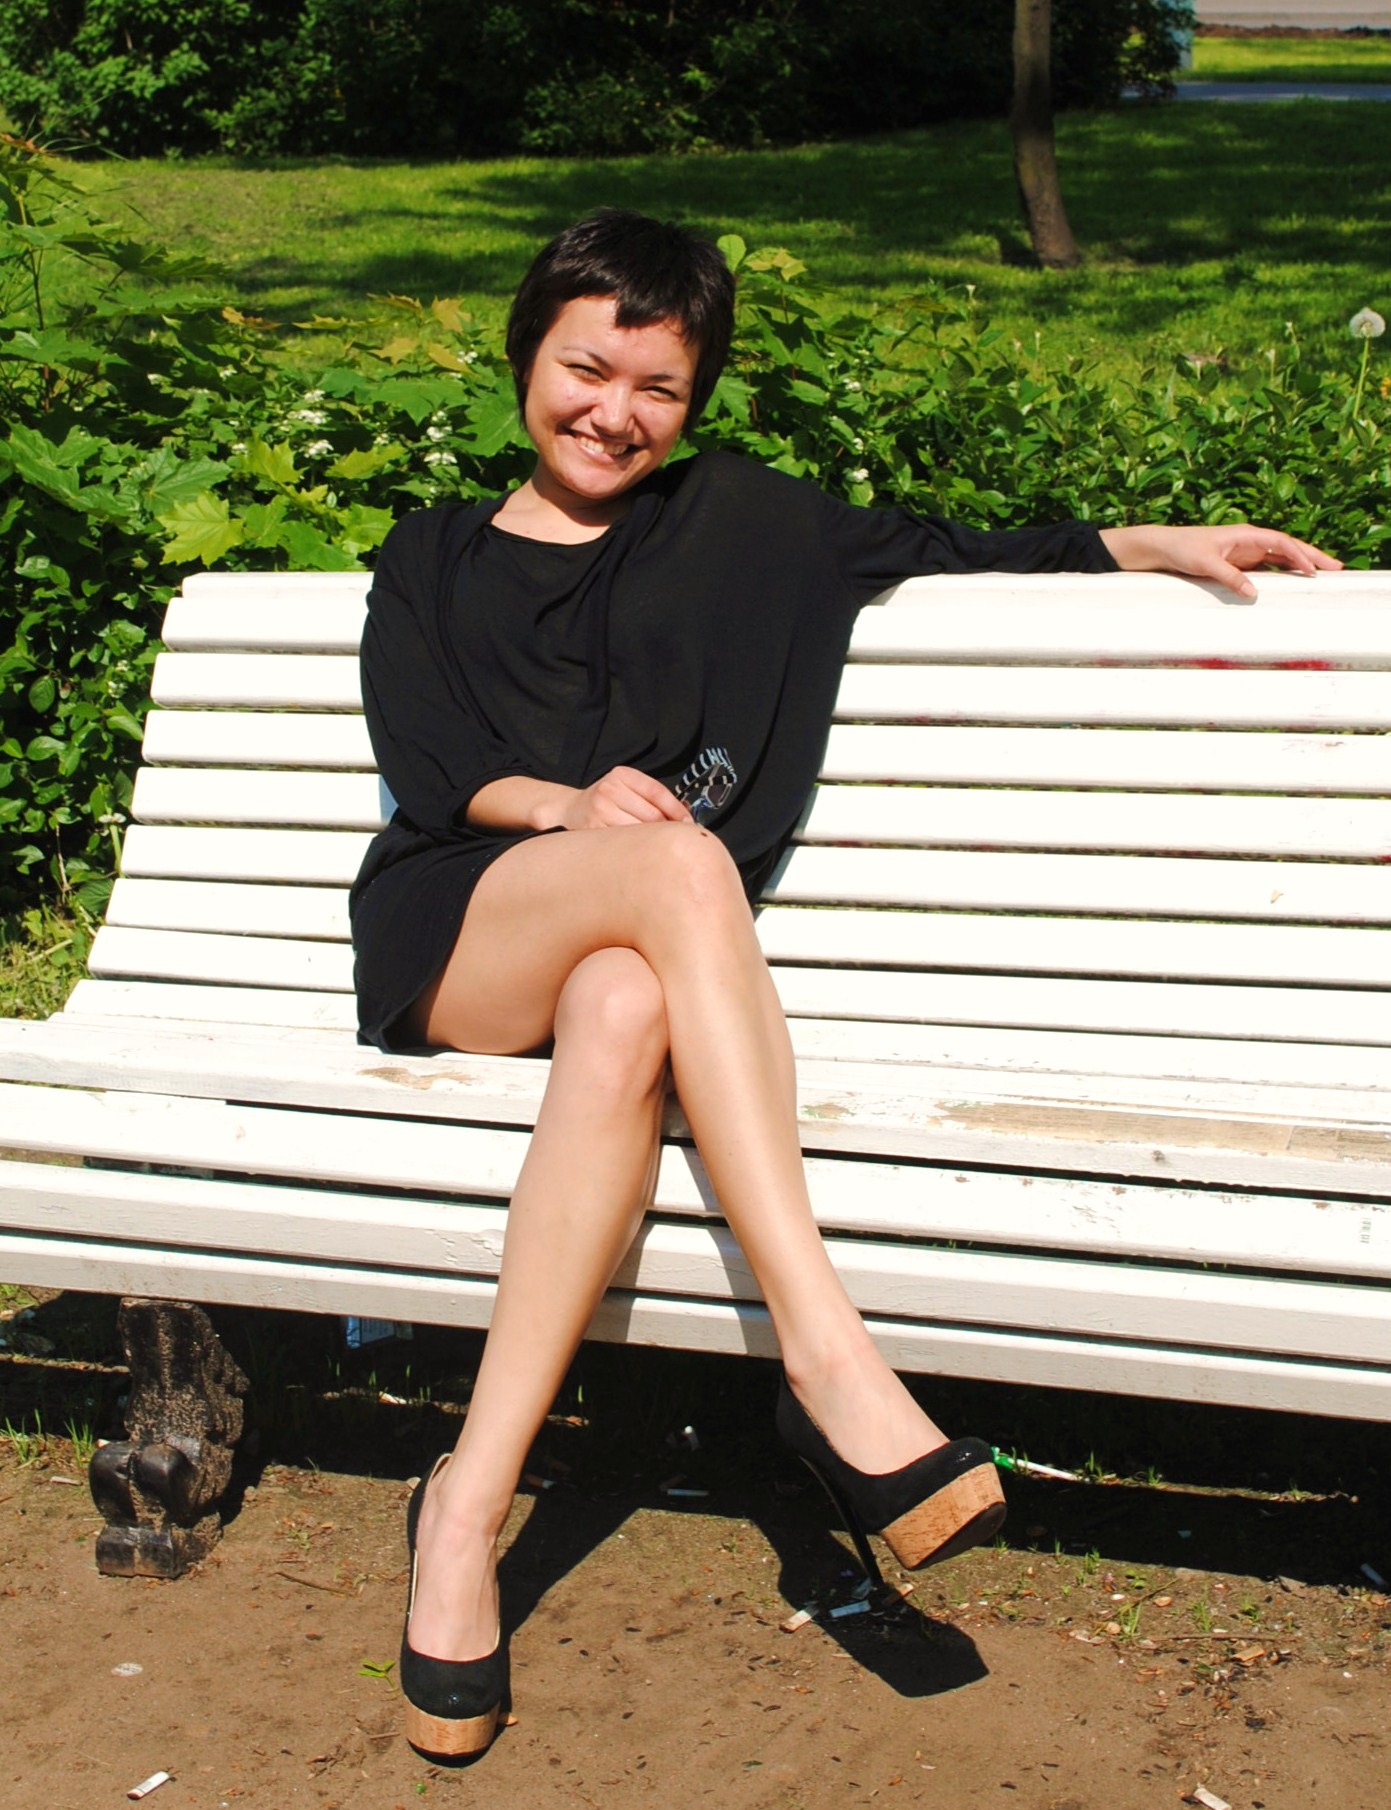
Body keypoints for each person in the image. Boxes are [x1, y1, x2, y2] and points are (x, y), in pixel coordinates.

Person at [349, 209, 1340, 1761]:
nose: (613, 411)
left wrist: (1151, 543)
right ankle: (828, 1351)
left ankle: (464, 1509)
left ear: (696, 400)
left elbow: (946, 545)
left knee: (626, 1000)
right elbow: (427, 763)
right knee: (679, 864)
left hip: (628, 951)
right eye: (586, 368)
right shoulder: (432, 553)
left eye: (658, 386)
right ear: (528, 354)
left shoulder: (746, 523)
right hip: (465, 921)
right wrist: (567, 808)